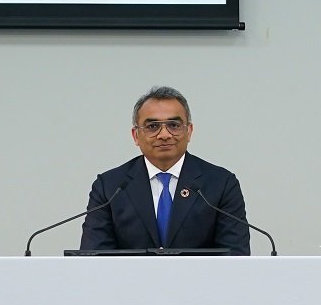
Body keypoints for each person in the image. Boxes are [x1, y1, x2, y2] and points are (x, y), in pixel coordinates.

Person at [80, 86, 251, 255]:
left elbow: (235, 256)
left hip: (200, 282)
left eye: (174, 125)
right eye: (153, 126)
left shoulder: (221, 183)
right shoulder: (110, 186)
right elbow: (95, 258)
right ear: (136, 135)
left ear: (189, 131)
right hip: (131, 282)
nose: (164, 134)